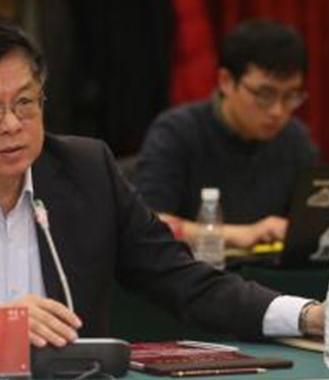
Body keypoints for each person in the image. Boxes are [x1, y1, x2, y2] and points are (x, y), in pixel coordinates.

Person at [0, 14, 329, 356]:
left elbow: (183, 279)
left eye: (26, 102)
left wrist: (309, 315)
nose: (12, 124)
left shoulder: (87, 172)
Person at [135, 19, 318, 250]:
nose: (277, 111)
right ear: (226, 81)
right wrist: (238, 234)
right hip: (193, 268)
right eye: (265, 95)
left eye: (291, 96)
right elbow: (149, 224)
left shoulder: (295, 139)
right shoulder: (177, 132)